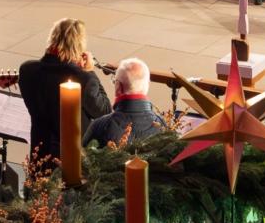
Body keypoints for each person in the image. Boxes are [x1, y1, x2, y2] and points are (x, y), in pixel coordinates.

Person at [18, 18, 111, 162]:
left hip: (40, 151)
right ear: (79, 45)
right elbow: (104, 111)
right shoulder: (82, 77)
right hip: (72, 157)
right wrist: (90, 71)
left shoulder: (27, 69)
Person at [85, 58, 163, 145]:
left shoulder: (99, 126)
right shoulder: (165, 127)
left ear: (118, 87)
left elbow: (80, 157)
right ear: (148, 84)